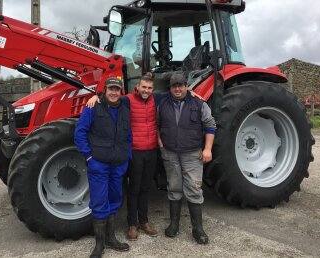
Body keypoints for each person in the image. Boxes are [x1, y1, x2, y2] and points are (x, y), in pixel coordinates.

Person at [87, 75, 160, 241]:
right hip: (135, 151)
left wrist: (192, 93)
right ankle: (132, 225)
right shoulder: (127, 100)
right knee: (133, 189)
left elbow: (176, 94)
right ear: (137, 87)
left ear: (152, 90)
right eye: (144, 87)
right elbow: (111, 98)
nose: (146, 91)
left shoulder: (157, 99)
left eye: (149, 88)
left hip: (151, 151)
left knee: (145, 188)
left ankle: (144, 221)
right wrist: (96, 96)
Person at [75, 77, 131, 258]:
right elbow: (80, 132)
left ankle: (111, 238)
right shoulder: (93, 107)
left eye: (117, 89)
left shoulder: (125, 107)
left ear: (121, 91)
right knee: (100, 202)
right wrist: (89, 157)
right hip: (98, 163)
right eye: (111, 89)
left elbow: (128, 133)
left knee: (115, 200)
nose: (114, 93)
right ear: (105, 90)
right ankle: (99, 245)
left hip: (118, 164)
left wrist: (127, 156)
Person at [157, 71, 216, 244]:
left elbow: (210, 125)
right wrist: (161, 144)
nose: (177, 89)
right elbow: (156, 125)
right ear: (170, 88)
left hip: (192, 153)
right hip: (170, 152)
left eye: (180, 85)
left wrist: (208, 149)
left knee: (194, 189)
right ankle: (174, 225)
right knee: (174, 188)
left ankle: (198, 229)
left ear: (185, 86)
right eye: (174, 86)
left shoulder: (198, 103)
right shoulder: (162, 103)